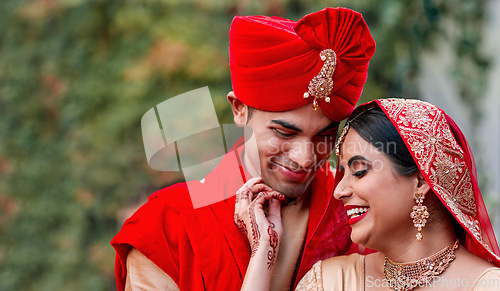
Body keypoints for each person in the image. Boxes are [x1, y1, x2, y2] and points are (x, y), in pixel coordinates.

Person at [111, 7, 376, 291]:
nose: (305, 157)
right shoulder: (165, 227)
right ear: (239, 110)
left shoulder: (363, 208)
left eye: (324, 136)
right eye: (284, 132)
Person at [240, 98, 500, 290]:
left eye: (360, 171)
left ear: (421, 180)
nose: (339, 191)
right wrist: (264, 251)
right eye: (341, 173)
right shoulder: (332, 282)